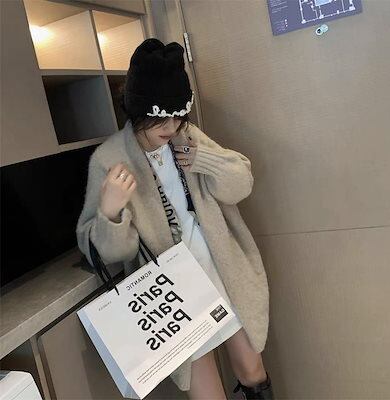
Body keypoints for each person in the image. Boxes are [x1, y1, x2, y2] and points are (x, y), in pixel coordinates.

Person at [76, 38, 274, 400]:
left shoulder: (186, 135)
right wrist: (110, 211)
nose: (170, 126)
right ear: (139, 109)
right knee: (207, 394)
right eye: (160, 118)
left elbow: (240, 185)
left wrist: (202, 159)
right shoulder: (110, 158)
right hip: (173, 291)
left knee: (252, 371)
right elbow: (103, 251)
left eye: (178, 115)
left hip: (220, 268)